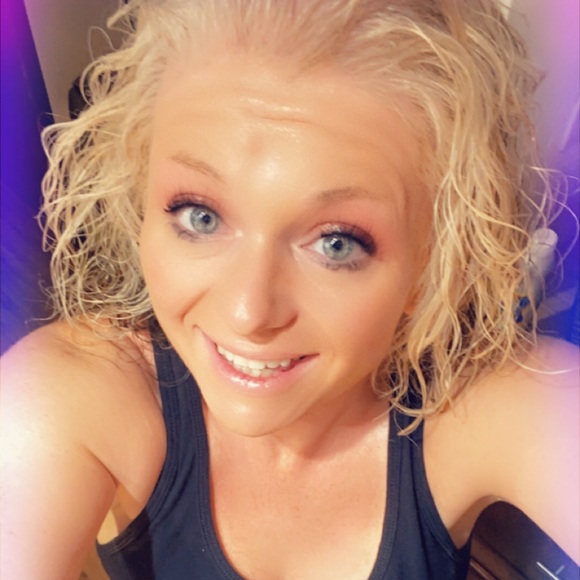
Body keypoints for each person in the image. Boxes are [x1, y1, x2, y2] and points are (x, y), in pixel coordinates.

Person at [1, 0, 578, 578]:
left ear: (429, 264)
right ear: (140, 210)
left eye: (336, 243)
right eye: (201, 216)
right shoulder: (63, 398)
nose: (248, 312)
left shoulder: (487, 409)